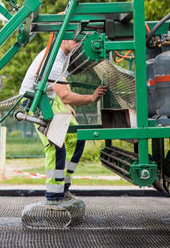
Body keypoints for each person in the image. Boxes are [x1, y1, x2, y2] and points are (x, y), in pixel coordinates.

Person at [19, 39, 107, 205]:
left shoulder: (63, 56)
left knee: (77, 137)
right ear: (64, 37)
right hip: (35, 101)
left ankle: (64, 188)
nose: (78, 44)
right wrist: (91, 97)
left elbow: (59, 88)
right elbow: (65, 93)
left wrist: (65, 104)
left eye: (81, 40)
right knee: (55, 144)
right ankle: (53, 197)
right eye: (75, 40)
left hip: (50, 97)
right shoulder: (53, 60)